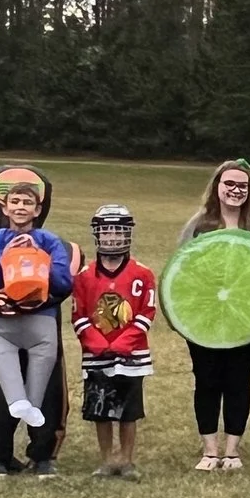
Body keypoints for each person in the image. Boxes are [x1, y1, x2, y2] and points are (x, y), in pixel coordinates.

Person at [0, 166, 74, 478]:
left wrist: (35, 262)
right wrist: (5, 257)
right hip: (2, 324)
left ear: (38, 209)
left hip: (41, 321)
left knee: (46, 394)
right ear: (4, 206)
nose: (20, 208)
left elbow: (64, 283)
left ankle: (43, 455)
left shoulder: (52, 242)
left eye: (27, 202)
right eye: (15, 202)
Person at [176, 160, 250, 471]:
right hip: (204, 318)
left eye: (242, 185)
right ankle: (209, 451)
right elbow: (181, 272)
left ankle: (232, 451)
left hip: (246, 320)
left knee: (238, 382)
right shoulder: (199, 225)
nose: (235, 190)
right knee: (207, 382)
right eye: (229, 183)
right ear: (217, 186)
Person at [74, 203, 156, 480]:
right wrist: (95, 340)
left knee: (129, 411)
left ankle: (127, 460)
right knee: (101, 409)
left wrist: (126, 341)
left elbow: (147, 311)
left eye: (118, 231)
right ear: (98, 234)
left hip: (132, 356)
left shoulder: (143, 274)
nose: (112, 237)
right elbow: (79, 314)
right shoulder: (84, 276)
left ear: (127, 234)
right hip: (97, 355)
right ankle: (107, 459)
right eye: (106, 231)